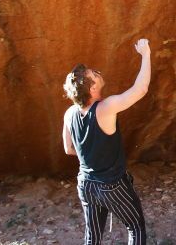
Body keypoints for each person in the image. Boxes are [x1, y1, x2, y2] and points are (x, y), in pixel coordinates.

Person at [62, 39, 152, 245]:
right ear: (92, 88)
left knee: (92, 237)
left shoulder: (69, 114)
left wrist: (93, 153)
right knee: (136, 228)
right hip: (111, 185)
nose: (98, 73)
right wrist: (146, 55)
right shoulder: (105, 108)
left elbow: (68, 149)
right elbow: (140, 90)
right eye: (94, 74)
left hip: (85, 184)